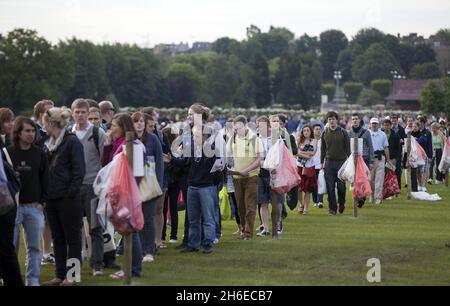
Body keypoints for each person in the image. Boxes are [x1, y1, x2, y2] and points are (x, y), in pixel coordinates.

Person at [41, 107, 86, 286]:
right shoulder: (47, 143)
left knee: (73, 238)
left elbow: (79, 171)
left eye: (45, 123)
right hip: (51, 199)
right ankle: (60, 275)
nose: (43, 126)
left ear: (51, 123)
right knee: (57, 239)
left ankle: (72, 276)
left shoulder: (71, 142)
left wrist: (70, 194)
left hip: (68, 199)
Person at [167, 124, 224, 253]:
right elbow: (184, 163)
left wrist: (219, 171)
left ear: (205, 136)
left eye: (196, 135)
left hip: (206, 188)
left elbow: (217, 169)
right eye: (193, 134)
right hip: (192, 186)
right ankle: (193, 244)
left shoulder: (213, 150)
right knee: (193, 218)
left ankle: (208, 243)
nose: (193, 137)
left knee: (208, 218)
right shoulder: (192, 148)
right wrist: (171, 160)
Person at [7, 117, 49, 286]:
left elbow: (46, 179)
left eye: (33, 131)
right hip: (12, 208)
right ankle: (11, 278)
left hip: (34, 207)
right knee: (10, 248)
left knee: (35, 247)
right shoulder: (7, 153)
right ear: (18, 133)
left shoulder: (40, 153)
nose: (31, 134)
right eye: (27, 131)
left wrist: (42, 202)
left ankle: (32, 280)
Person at [71, 99, 110, 276]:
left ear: (88, 113)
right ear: (72, 113)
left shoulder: (97, 133)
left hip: (93, 186)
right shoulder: (68, 134)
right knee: (73, 227)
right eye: (77, 112)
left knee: (95, 227)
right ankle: (76, 262)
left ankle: (97, 264)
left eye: (83, 112)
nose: (80, 115)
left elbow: (104, 161)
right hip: (73, 187)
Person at [102, 113, 143, 280]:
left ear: (123, 127)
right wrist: (106, 144)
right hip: (120, 192)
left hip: (129, 193)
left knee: (131, 231)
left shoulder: (134, 145)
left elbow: (138, 173)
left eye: (114, 126)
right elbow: (105, 165)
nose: (111, 129)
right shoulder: (119, 143)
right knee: (127, 231)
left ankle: (133, 269)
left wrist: (127, 192)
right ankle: (130, 267)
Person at [132, 112, 163, 264]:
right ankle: (138, 249)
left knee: (148, 218)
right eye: (136, 121)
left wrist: (159, 183)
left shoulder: (153, 138)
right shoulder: (128, 140)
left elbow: (159, 163)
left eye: (141, 121)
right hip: (132, 186)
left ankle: (149, 250)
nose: (139, 124)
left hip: (150, 184)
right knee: (135, 220)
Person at [226, 115, 264, 240]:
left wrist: (246, 170)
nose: (238, 130)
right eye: (235, 128)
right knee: (240, 206)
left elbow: (259, 159)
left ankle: (248, 233)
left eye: (240, 127)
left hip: (251, 177)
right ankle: (243, 229)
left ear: (245, 125)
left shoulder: (254, 138)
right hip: (236, 177)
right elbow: (228, 156)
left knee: (250, 205)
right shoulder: (233, 138)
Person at [0, 109, 24, 287]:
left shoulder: (8, 143)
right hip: (8, 199)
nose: (10, 124)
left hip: (5, 201)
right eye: (7, 121)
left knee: (7, 246)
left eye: (12, 121)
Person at [255, 116, 281, 239]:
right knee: (263, 202)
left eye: (262, 125)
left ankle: (277, 223)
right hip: (261, 172)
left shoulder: (275, 137)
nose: (260, 128)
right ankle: (265, 228)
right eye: (258, 126)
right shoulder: (256, 139)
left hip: (274, 172)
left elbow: (280, 154)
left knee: (276, 202)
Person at [320, 111, 350, 215]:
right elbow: (322, 149)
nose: (331, 121)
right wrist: (321, 163)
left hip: (341, 163)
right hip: (328, 163)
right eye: (329, 119)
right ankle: (332, 209)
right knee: (330, 187)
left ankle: (341, 203)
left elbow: (348, 150)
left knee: (341, 187)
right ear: (327, 121)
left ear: (337, 120)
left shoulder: (343, 132)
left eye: (333, 119)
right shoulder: (324, 133)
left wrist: (350, 163)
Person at [348, 114, 374, 208]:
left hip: (364, 159)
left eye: (356, 119)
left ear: (359, 121)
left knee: (363, 179)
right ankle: (357, 196)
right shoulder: (349, 133)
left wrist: (371, 161)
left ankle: (362, 197)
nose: (355, 120)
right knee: (354, 180)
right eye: (353, 119)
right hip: (353, 160)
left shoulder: (366, 132)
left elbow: (371, 147)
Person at [296, 125, 318, 215]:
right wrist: (306, 154)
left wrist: (301, 153)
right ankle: (301, 204)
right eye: (304, 130)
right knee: (298, 188)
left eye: (307, 130)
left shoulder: (314, 141)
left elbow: (312, 153)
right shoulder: (299, 141)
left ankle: (306, 208)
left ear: (310, 131)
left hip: (309, 167)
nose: (306, 132)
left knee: (307, 189)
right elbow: (295, 152)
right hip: (299, 166)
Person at [369, 118, 390, 205]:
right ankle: (371, 195)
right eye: (373, 123)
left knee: (379, 179)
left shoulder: (382, 134)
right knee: (370, 179)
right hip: (370, 159)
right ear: (370, 124)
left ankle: (378, 197)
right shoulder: (367, 134)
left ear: (378, 124)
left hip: (381, 158)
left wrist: (388, 159)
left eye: (376, 123)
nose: (374, 125)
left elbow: (386, 147)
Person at [383, 119, 401, 198]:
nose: (386, 127)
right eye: (385, 125)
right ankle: (385, 191)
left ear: (390, 126)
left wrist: (396, 158)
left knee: (391, 174)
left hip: (392, 158)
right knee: (384, 175)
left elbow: (398, 148)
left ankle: (392, 191)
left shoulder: (395, 135)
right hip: (383, 157)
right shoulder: (381, 134)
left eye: (387, 125)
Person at [311, 124, 324, 208]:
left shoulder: (324, 141)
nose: (318, 131)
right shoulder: (311, 141)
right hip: (312, 166)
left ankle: (320, 201)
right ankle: (315, 201)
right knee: (313, 185)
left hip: (321, 165)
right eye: (316, 129)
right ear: (313, 131)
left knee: (321, 183)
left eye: (319, 129)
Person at [391, 114, 406, 188]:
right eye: (392, 119)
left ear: (397, 120)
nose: (393, 121)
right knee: (390, 170)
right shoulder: (388, 128)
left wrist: (402, 140)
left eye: (395, 120)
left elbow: (404, 139)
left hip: (398, 152)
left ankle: (398, 186)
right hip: (390, 151)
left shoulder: (401, 129)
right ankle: (390, 186)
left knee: (398, 169)